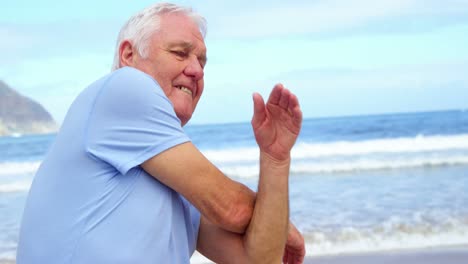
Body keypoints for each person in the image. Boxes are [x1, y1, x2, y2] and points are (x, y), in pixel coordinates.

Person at [17, 2, 305, 263]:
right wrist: (281, 225)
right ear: (129, 55)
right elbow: (231, 209)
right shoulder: (124, 86)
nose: (196, 71)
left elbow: (259, 260)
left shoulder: (174, 176)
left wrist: (275, 159)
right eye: (180, 53)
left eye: (202, 61)